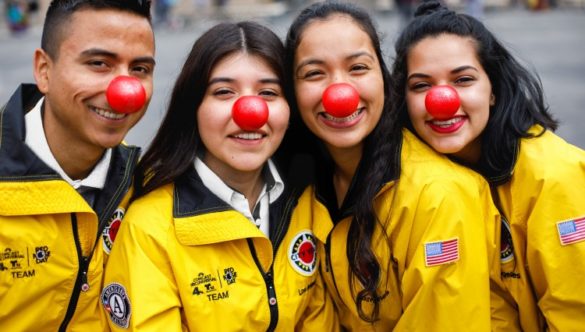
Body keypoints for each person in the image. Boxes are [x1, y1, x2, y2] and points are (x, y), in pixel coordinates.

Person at [102, 21, 339, 330]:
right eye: (224, 92)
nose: (250, 111)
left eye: (268, 92)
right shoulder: (149, 228)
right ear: (194, 107)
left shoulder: (306, 200)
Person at [283, 1, 502, 330]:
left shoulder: (439, 195)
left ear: (383, 79)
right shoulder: (300, 185)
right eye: (314, 73)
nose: (338, 93)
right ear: (292, 90)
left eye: (358, 68)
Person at [391, 1, 585, 330]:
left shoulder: (555, 176)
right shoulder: (415, 178)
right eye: (421, 85)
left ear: (492, 89)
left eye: (463, 80)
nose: (442, 101)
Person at [0, 0, 154, 330]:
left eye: (140, 69)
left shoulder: (148, 184)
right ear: (44, 70)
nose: (125, 91)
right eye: (99, 63)